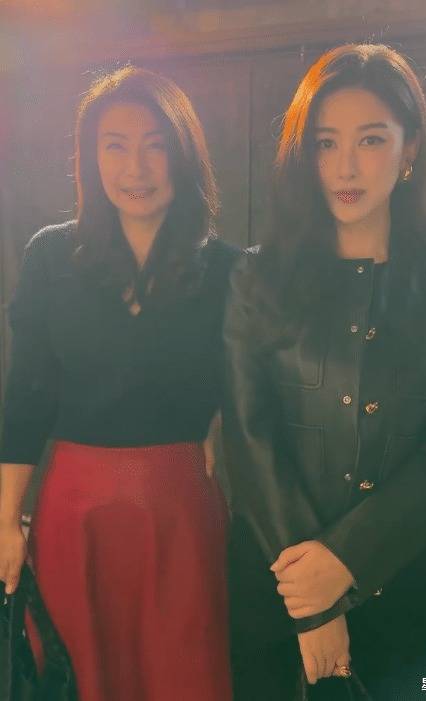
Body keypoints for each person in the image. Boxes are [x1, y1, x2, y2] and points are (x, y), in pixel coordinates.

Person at [222, 43, 426, 701]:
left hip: (409, 596)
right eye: (325, 143)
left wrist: (345, 560)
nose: (345, 166)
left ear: (409, 148)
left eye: (370, 139)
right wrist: (314, 607)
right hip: (277, 603)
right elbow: (250, 440)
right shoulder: (255, 278)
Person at [0, 66, 238, 701]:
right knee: (80, 677)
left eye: (156, 145)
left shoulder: (230, 271)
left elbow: (254, 384)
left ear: (183, 155)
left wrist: (224, 418)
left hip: (182, 511)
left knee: (185, 673)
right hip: (72, 512)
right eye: (115, 146)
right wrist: (5, 521)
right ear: (90, 158)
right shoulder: (51, 256)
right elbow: (27, 396)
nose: (136, 167)